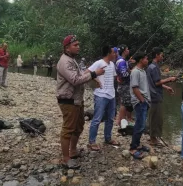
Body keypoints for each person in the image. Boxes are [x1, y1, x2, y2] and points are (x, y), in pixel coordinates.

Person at [56, 35, 105, 169]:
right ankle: (66, 159)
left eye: (78, 44)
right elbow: (75, 80)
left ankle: (73, 151)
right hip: (68, 100)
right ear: (67, 47)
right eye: (75, 45)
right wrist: (94, 74)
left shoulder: (72, 60)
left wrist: (91, 75)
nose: (78, 47)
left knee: (78, 126)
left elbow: (79, 75)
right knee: (68, 129)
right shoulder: (65, 61)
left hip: (77, 99)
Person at [87, 45, 120, 151]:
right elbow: (86, 73)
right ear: (108, 54)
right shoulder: (99, 63)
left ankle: (108, 138)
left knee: (110, 118)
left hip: (112, 95)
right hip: (101, 95)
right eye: (113, 52)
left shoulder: (112, 64)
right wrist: (96, 80)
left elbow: (114, 78)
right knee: (97, 119)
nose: (115, 54)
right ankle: (91, 142)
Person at [146, 47, 176, 146]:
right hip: (155, 96)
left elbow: (155, 83)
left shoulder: (150, 66)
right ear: (157, 55)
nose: (162, 57)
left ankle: (152, 136)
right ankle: (153, 139)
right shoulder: (154, 67)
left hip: (152, 95)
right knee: (156, 118)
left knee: (152, 117)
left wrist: (166, 87)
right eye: (161, 55)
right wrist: (170, 79)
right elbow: (157, 82)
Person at [129, 52, 151, 159]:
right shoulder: (135, 72)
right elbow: (135, 88)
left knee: (141, 125)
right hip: (139, 102)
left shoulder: (143, 71)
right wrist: (142, 100)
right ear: (141, 60)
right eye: (146, 58)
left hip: (144, 101)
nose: (147, 60)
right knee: (139, 125)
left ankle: (137, 145)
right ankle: (133, 148)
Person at [116, 45, 133, 126]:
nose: (128, 50)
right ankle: (121, 123)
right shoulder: (121, 61)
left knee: (124, 103)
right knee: (124, 104)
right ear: (124, 51)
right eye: (127, 49)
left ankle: (121, 121)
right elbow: (124, 74)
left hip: (123, 85)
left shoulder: (122, 60)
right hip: (124, 85)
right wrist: (131, 72)